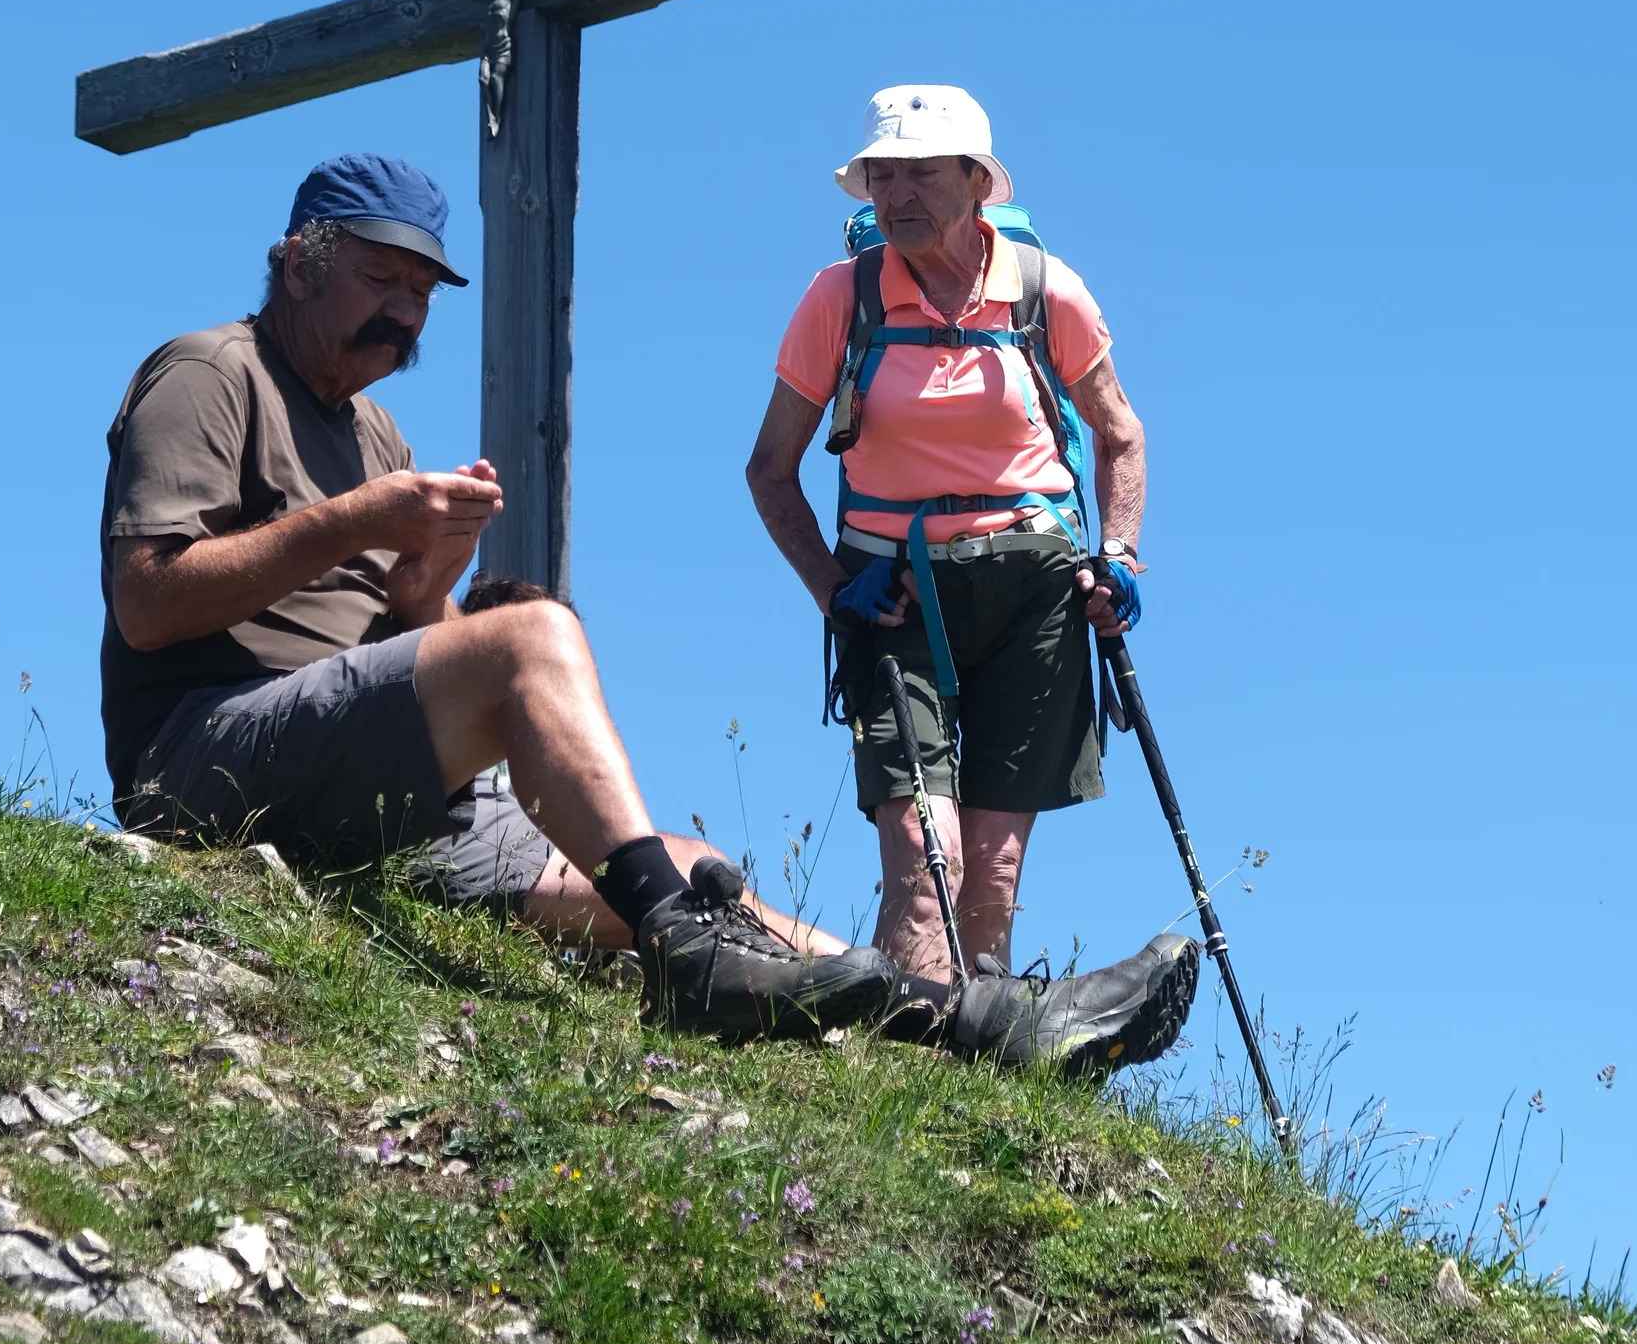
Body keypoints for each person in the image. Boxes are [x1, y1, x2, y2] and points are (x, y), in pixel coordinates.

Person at [101, 151, 894, 1042]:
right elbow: (148, 602)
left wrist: (424, 592)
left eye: (423, 291)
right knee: (531, 636)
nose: (404, 311)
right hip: (202, 753)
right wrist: (355, 520)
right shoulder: (210, 373)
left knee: (684, 866)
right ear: (295, 264)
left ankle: (938, 1020)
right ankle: (690, 962)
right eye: (380, 279)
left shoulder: (376, 432)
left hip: (355, 777)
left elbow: (404, 652)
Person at [747, 86, 1198, 1069]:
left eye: (920, 172)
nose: (899, 193)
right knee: (926, 852)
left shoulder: (1047, 291)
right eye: (883, 175)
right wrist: (834, 589)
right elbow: (768, 469)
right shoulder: (841, 299)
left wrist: (1116, 557)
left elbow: (1120, 434)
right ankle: (906, 1058)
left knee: (991, 867)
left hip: (1034, 593)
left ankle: (968, 1081)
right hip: (893, 593)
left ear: (974, 182)